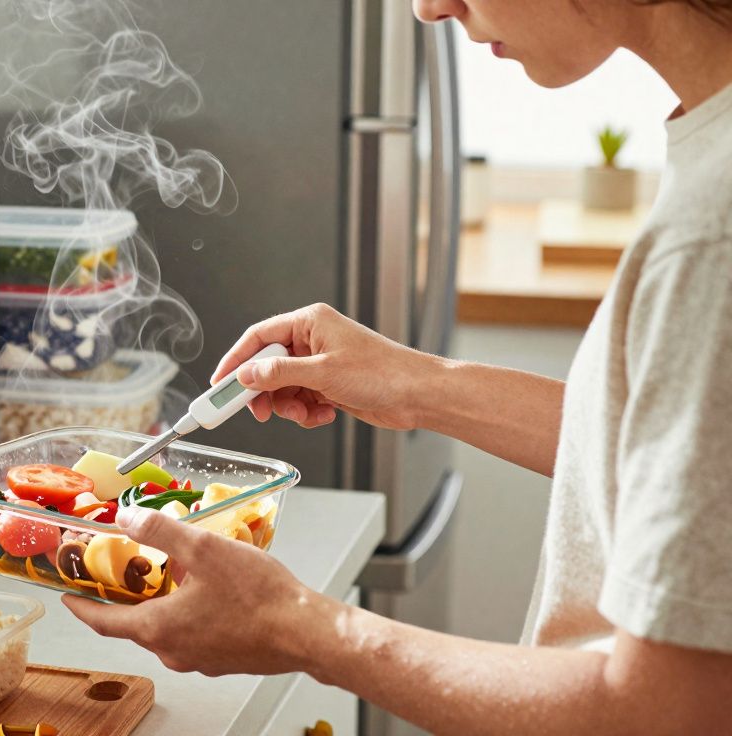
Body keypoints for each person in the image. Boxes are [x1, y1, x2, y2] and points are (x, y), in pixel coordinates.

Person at [62, 0, 732, 731]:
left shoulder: (710, 236)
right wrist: (418, 387)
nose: (429, 7)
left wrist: (296, 626)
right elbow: (680, 454)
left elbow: (663, 714)